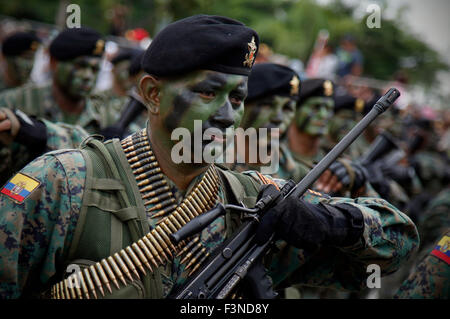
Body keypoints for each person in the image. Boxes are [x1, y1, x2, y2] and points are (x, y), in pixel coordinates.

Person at [0, 15, 419, 299]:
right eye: (206, 92)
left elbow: (400, 240)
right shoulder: (63, 183)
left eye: (237, 97)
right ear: (151, 93)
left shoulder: (250, 198)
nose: (226, 114)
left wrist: (330, 223)